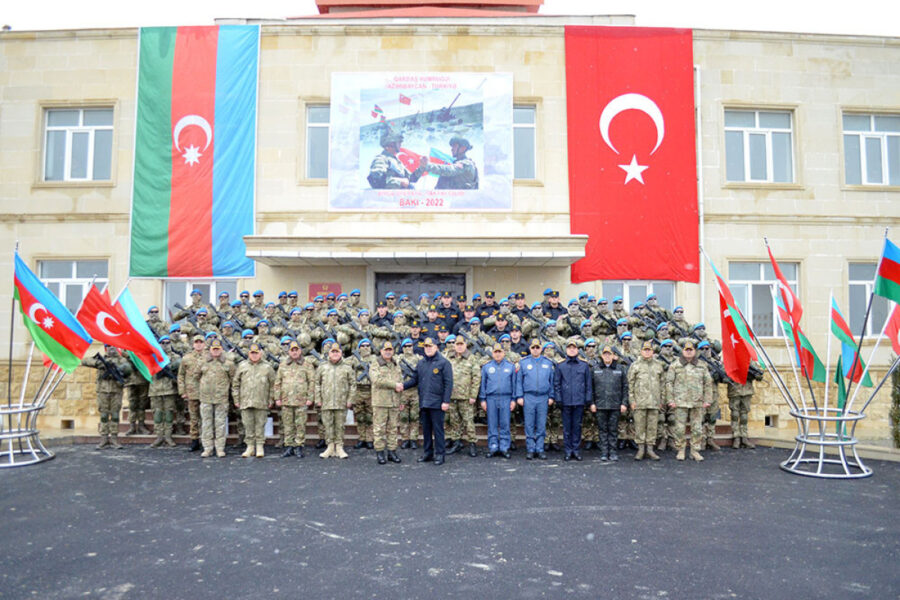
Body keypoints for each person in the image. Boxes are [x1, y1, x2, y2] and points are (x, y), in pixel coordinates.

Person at [397, 337, 452, 465]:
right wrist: (402, 386)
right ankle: (428, 453)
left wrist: (446, 401)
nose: (428, 349)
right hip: (424, 402)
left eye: (430, 346)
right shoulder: (421, 363)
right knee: (426, 430)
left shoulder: (444, 363)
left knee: (438, 430)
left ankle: (440, 454)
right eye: (426, 347)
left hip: (438, 402)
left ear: (436, 347)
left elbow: (448, 383)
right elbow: (414, 380)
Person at [664, 340, 713, 461]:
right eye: (687, 350)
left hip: (697, 402)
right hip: (680, 402)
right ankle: (681, 450)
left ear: (695, 351)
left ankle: (695, 451)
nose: (689, 352)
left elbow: (708, 383)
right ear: (683, 351)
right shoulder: (675, 365)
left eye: (691, 350)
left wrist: (707, 400)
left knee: (697, 429)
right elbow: (669, 383)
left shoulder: (702, 365)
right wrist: (670, 399)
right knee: (679, 429)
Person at [82, 345, 132, 450]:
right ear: (105, 348)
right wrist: (99, 363)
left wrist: (119, 373)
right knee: (104, 415)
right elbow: (85, 361)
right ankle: (104, 439)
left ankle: (114, 438)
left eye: (113, 346)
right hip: (103, 391)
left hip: (116, 392)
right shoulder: (102, 359)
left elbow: (128, 373)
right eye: (108, 346)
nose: (111, 348)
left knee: (115, 415)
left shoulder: (121, 360)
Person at [232, 343, 276, 458]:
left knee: (260, 425)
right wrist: (236, 399)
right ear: (249, 354)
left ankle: (260, 446)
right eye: (252, 353)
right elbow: (236, 384)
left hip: (261, 401)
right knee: (248, 425)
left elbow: (273, 385)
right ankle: (250, 447)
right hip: (245, 401)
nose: (254, 355)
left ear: (260, 353)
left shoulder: (267, 367)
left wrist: (271, 399)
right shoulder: (242, 366)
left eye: (256, 353)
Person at [515, 338, 555, 460]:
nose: (536, 349)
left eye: (538, 347)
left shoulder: (548, 363)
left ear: (541, 349)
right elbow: (519, 382)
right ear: (530, 349)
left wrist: (551, 396)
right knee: (529, 424)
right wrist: (519, 396)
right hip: (529, 397)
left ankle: (540, 448)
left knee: (541, 424)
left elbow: (552, 381)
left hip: (543, 397)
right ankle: (530, 449)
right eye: (533, 347)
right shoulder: (524, 363)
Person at [273, 341, 315, 458]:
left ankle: (299, 446)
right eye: (292, 350)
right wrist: (277, 398)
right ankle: (289, 446)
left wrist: (310, 398)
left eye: (296, 350)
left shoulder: (307, 364)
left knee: (300, 424)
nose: (295, 352)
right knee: (287, 425)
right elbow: (277, 383)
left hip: (301, 400)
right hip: (286, 400)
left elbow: (312, 382)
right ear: (289, 352)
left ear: (300, 351)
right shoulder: (283, 365)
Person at [553, 337, 593, 461]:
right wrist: (558, 399)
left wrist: (587, 399)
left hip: (579, 401)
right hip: (565, 402)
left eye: (574, 348)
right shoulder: (561, 366)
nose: (571, 350)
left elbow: (588, 384)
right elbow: (557, 384)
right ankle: (568, 450)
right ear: (566, 350)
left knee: (577, 427)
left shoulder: (584, 365)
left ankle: (575, 450)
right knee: (566, 428)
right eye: (569, 348)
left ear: (577, 350)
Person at [315, 342, 356, 459]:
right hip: (326, 402)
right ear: (329, 353)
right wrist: (318, 399)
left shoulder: (347, 368)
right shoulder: (322, 367)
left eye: (337, 352)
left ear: (341, 353)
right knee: (327, 425)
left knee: (340, 426)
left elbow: (353, 385)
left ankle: (339, 447)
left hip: (341, 402)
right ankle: (330, 447)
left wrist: (350, 400)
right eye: (333, 352)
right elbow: (317, 384)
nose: (335, 354)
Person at [590, 345, 629, 462]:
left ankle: (613, 452)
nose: (607, 356)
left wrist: (624, 403)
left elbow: (625, 388)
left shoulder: (620, 369)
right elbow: (590, 388)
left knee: (613, 430)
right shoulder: (595, 369)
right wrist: (592, 403)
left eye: (609, 354)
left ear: (613, 355)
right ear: (602, 356)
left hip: (615, 405)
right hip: (600, 405)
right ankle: (604, 452)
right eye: (605, 354)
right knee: (602, 430)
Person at [627, 341, 665, 461]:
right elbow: (630, 384)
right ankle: (641, 449)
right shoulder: (635, 365)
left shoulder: (658, 365)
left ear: (652, 352)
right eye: (645, 350)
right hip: (639, 402)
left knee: (652, 427)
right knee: (639, 426)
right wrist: (632, 400)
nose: (647, 352)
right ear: (641, 351)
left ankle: (650, 449)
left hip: (654, 402)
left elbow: (663, 385)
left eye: (649, 350)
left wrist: (661, 400)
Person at [478, 343, 517, 458]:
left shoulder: (510, 367)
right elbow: (483, 384)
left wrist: (513, 399)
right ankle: (493, 446)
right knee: (492, 424)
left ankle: (504, 447)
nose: (498, 354)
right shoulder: (487, 367)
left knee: (505, 424)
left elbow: (514, 384)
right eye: (495, 352)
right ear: (492, 353)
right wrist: (483, 399)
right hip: (491, 398)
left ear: (504, 353)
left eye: (500, 352)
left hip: (506, 398)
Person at [198, 340, 235, 458]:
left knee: (220, 424)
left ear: (221, 349)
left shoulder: (228, 364)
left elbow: (233, 380)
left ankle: (220, 448)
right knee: (206, 424)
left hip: (221, 399)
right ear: (210, 350)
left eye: (218, 349)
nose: (216, 351)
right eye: (214, 349)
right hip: (206, 398)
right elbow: (195, 376)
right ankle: (207, 448)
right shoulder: (202, 362)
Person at [445, 335, 480, 458]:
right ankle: (456, 443)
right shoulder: (449, 358)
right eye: (457, 344)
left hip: (466, 396)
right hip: (452, 395)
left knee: (469, 421)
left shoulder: (471, 358)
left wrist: (473, 395)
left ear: (465, 345)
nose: (459, 347)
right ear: (454, 346)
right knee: (454, 421)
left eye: (461, 344)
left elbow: (476, 378)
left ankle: (472, 444)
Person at [370, 341, 403, 465]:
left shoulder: (396, 364)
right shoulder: (375, 364)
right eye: (386, 350)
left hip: (394, 402)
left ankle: (392, 452)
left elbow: (401, 382)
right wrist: (394, 385)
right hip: (381, 402)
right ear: (381, 351)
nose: (388, 351)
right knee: (379, 429)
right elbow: (376, 380)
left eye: (390, 349)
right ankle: (379, 452)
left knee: (393, 429)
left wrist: (401, 400)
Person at [177, 335, 208, 452]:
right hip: (192, 392)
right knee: (194, 418)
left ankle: (206, 441)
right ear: (193, 344)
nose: (199, 344)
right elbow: (181, 375)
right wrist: (182, 391)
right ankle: (194, 440)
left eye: (201, 342)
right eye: (196, 342)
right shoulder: (186, 358)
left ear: (204, 344)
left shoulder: (209, 357)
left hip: (206, 392)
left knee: (206, 418)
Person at [727, 363, 764, 449]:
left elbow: (758, 374)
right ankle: (736, 437)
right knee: (734, 414)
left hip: (746, 390)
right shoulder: (731, 359)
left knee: (744, 416)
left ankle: (744, 437)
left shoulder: (750, 362)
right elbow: (725, 373)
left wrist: (756, 375)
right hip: (735, 390)